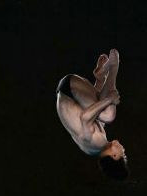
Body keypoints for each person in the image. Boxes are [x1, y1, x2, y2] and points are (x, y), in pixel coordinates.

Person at [55, 49, 128, 180]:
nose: (123, 150)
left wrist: (110, 99)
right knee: (104, 114)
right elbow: (94, 110)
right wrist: (100, 84)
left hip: (69, 91)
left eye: (124, 154)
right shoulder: (97, 146)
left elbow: (85, 117)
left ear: (115, 156)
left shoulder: (94, 144)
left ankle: (114, 66)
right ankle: (100, 77)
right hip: (71, 92)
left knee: (108, 114)